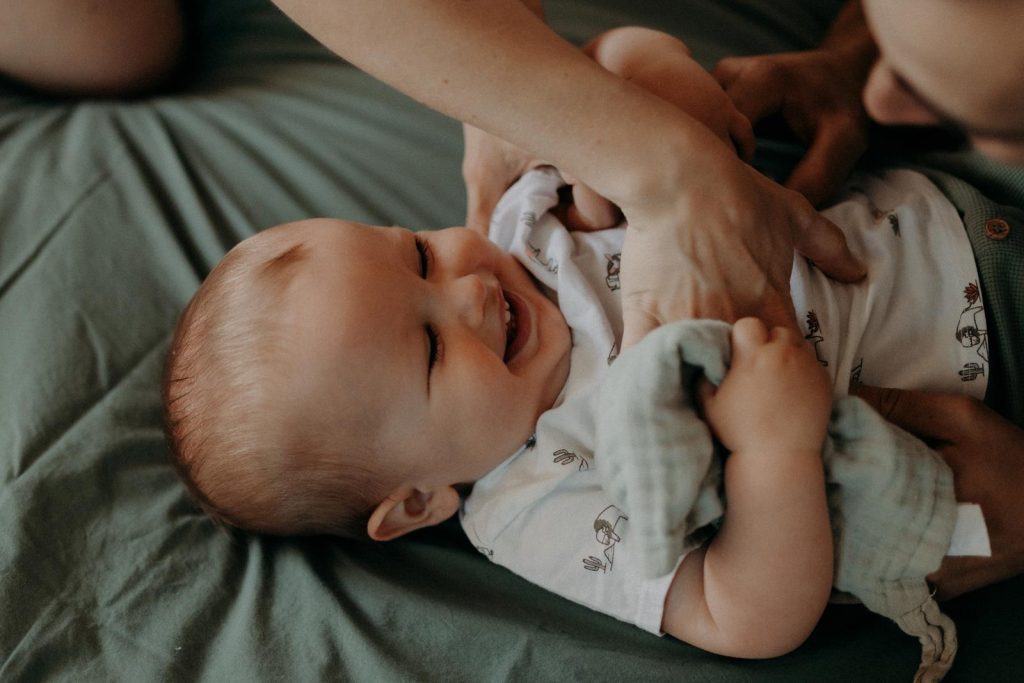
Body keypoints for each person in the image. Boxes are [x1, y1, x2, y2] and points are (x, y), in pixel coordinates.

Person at [164, 27, 1021, 662]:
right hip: (985, 388)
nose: (468, 290)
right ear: (420, 499)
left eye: (418, 254)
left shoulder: (526, 226)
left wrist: (649, 99)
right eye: (429, 350)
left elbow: (621, 57)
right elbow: (740, 614)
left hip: (944, 209)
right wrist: (772, 449)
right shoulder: (535, 501)